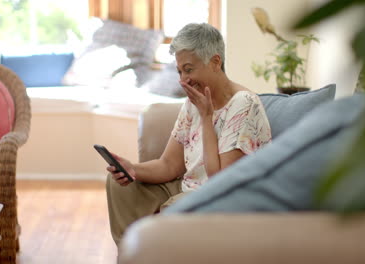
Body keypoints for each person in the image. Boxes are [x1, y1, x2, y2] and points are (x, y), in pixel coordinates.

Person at [105, 23, 272, 245]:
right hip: (189, 186)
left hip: (222, 197)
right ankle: (129, 256)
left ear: (215, 62)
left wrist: (206, 118)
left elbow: (220, 181)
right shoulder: (194, 101)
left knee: (175, 208)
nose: (183, 80)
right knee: (118, 183)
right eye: (180, 71)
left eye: (189, 69)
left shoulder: (243, 103)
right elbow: (168, 165)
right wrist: (132, 169)